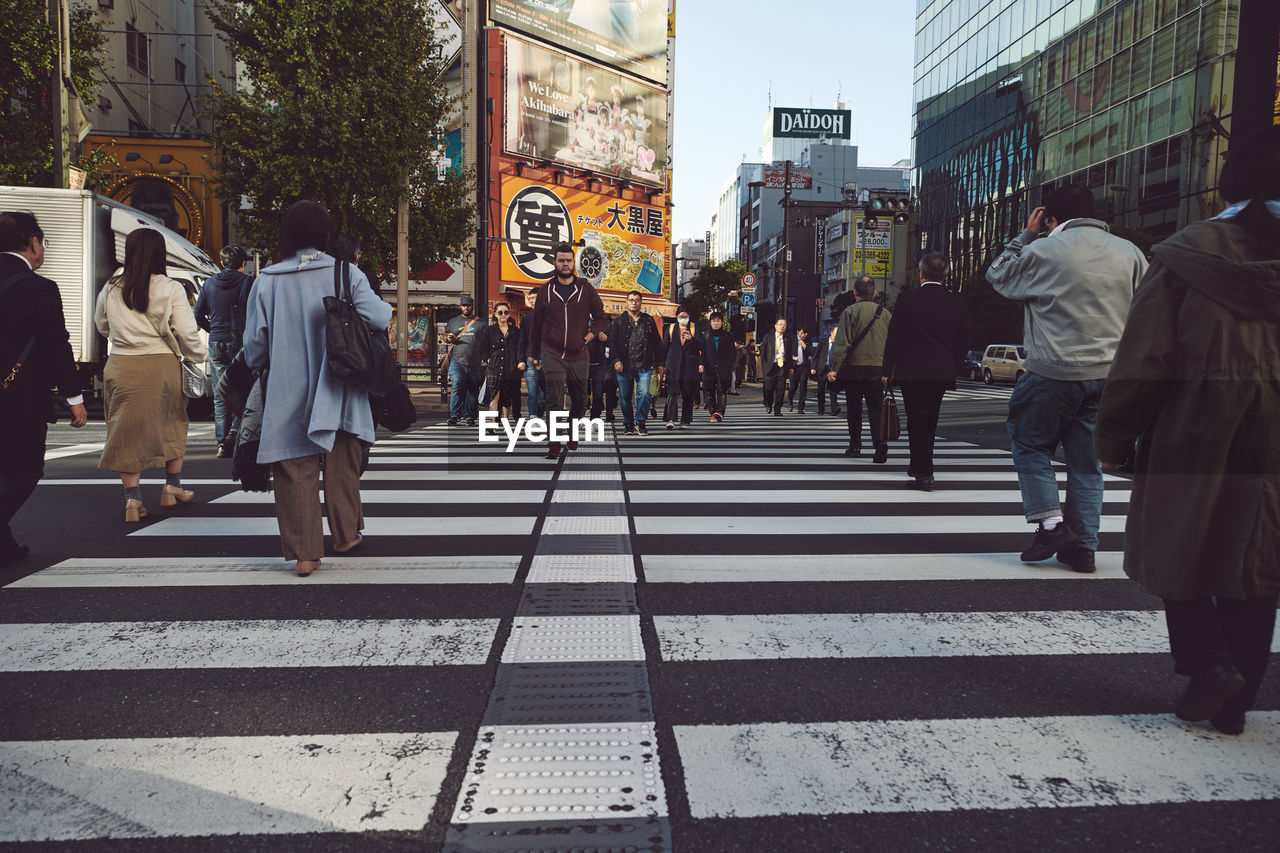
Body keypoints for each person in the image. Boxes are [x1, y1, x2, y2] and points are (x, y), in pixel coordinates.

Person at [1093, 127, 1280, 734]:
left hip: (1198, 422)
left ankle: (1207, 664)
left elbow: (1143, 360)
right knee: (1258, 558)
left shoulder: (1185, 254)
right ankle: (1237, 700)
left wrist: (1116, 437)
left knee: (1179, 542)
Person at [987, 183, 1148, 571]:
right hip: (1109, 375)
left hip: (1052, 371)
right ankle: (1083, 547)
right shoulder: (1131, 253)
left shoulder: (1042, 249)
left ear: (1050, 218)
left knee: (1030, 445)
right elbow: (1149, 308)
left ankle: (1051, 524)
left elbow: (998, 276)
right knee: (1087, 463)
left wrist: (1027, 234)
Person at [242, 200, 392, 577]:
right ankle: (345, 534)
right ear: (327, 234)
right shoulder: (345, 274)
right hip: (340, 384)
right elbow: (379, 316)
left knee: (294, 468)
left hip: (287, 386)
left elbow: (255, 347)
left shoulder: (267, 280)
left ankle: (305, 554)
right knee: (343, 462)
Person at [95, 228, 207, 521]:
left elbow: (102, 325)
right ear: (160, 253)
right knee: (172, 423)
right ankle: (172, 488)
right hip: (161, 364)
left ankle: (133, 502)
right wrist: (199, 355)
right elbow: (185, 331)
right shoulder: (170, 287)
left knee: (126, 429)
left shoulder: (111, 286)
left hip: (121, 364)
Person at [0, 211, 88, 566]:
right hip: (21, 397)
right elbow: (55, 345)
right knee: (24, 470)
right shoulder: (40, 288)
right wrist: (74, 398)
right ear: (32, 243)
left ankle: (4, 548)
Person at [882, 252, 970, 490]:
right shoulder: (957, 301)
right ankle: (918, 465)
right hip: (941, 370)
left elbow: (895, 337)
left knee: (917, 420)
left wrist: (887, 369)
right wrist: (955, 365)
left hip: (912, 370)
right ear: (945, 275)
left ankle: (923, 472)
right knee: (930, 419)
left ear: (921, 274)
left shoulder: (907, 300)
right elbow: (963, 340)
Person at [527, 243, 607, 457]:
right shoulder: (545, 290)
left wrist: (589, 337)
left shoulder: (585, 288)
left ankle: (572, 430)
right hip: (551, 351)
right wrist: (533, 353)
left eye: (568, 260)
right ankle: (553, 443)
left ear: (574, 263)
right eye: (561, 260)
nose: (565, 264)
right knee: (553, 398)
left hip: (579, 352)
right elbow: (537, 325)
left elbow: (601, 317)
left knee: (580, 398)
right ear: (554, 263)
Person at [195, 244, 253, 457]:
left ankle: (222, 442)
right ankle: (235, 435)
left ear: (222, 262)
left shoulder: (208, 284)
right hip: (240, 343)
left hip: (216, 342)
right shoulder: (248, 283)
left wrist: (214, 330)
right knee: (242, 391)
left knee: (221, 393)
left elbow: (197, 315)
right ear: (244, 264)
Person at [830, 277, 892, 461]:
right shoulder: (886, 314)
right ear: (873, 293)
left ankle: (855, 445)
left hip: (854, 368)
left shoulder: (849, 312)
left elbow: (842, 343)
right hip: (877, 368)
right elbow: (892, 344)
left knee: (854, 408)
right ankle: (879, 442)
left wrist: (834, 368)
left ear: (855, 293)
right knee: (876, 407)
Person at [606, 290, 662, 435]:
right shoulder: (618, 322)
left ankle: (641, 420)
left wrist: (661, 363)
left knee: (644, 393)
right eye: (631, 300)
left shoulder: (648, 320)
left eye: (637, 300)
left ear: (641, 302)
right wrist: (616, 360)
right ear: (626, 302)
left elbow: (657, 342)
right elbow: (612, 344)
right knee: (625, 397)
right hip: (624, 365)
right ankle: (628, 423)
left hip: (644, 364)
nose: (634, 302)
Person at [476, 301, 522, 420]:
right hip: (494, 368)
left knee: (507, 398)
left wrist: (520, 362)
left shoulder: (515, 331)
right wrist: (488, 359)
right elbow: (482, 348)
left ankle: (505, 421)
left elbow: (520, 348)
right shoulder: (489, 330)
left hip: (511, 369)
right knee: (494, 396)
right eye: (500, 312)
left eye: (506, 312)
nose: (503, 315)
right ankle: (493, 423)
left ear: (508, 314)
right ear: (495, 314)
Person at [444, 294, 486, 427]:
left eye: (468, 305)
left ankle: (470, 416)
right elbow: (445, 336)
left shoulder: (482, 323)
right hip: (457, 360)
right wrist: (448, 338)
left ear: (472, 306)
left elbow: (486, 341)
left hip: (476, 362)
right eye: (464, 305)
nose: (466, 307)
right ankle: (454, 415)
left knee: (473, 389)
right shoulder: (453, 321)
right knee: (457, 385)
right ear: (460, 306)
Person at [661, 309, 702, 429]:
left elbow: (702, 346)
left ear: (689, 316)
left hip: (690, 366)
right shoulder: (671, 328)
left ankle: (685, 420)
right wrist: (661, 365)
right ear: (677, 316)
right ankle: (670, 419)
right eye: (681, 316)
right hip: (673, 365)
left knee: (688, 394)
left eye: (685, 315)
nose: (683, 317)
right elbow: (664, 346)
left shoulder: (695, 328)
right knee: (672, 392)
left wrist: (692, 339)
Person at [701, 311, 736, 422]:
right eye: (713, 321)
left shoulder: (728, 335)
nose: (716, 323)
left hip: (723, 368)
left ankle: (719, 412)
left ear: (722, 322)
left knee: (722, 391)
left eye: (718, 321)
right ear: (710, 323)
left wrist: (729, 365)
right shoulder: (705, 336)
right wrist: (701, 364)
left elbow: (732, 352)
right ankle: (713, 411)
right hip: (709, 368)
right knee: (709, 392)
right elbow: (702, 352)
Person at [758, 317, 794, 415]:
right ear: (775, 326)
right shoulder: (768, 337)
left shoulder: (787, 339)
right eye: (780, 324)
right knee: (769, 388)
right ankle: (768, 403)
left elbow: (789, 354)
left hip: (782, 366)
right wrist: (764, 366)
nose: (782, 327)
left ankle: (777, 409)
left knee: (781, 389)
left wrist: (791, 367)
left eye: (784, 325)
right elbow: (763, 352)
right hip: (771, 366)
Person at [812, 324, 842, 416]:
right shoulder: (823, 342)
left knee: (833, 389)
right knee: (821, 389)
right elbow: (816, 356)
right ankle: (821, 409)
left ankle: (834, 408)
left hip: (832, 369)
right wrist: (813, 367)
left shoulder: (839, 344)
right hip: (823, 368)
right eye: (836, 333)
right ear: (831, 332)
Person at [517, 317, 544, 420]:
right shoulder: (527, 319)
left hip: (547, 359)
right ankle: (533, 416)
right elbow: (522, 340)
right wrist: (520, 360)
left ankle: (540, 414)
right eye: (531, 299)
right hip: (530, 359)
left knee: (544, 393)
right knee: (532, 391)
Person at [786, 326, 813, 412]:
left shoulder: (808, 340)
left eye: (805, 334)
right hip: (794, 366)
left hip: (804, 366)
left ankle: (801, 407)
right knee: (793, 387)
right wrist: (792, 358)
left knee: (803, 387)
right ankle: (790, 400)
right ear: (797, 331)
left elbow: (812, 352)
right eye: (801, 333)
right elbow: (786, 352)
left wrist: (805, 346)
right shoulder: (791, 339)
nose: (803, 335)